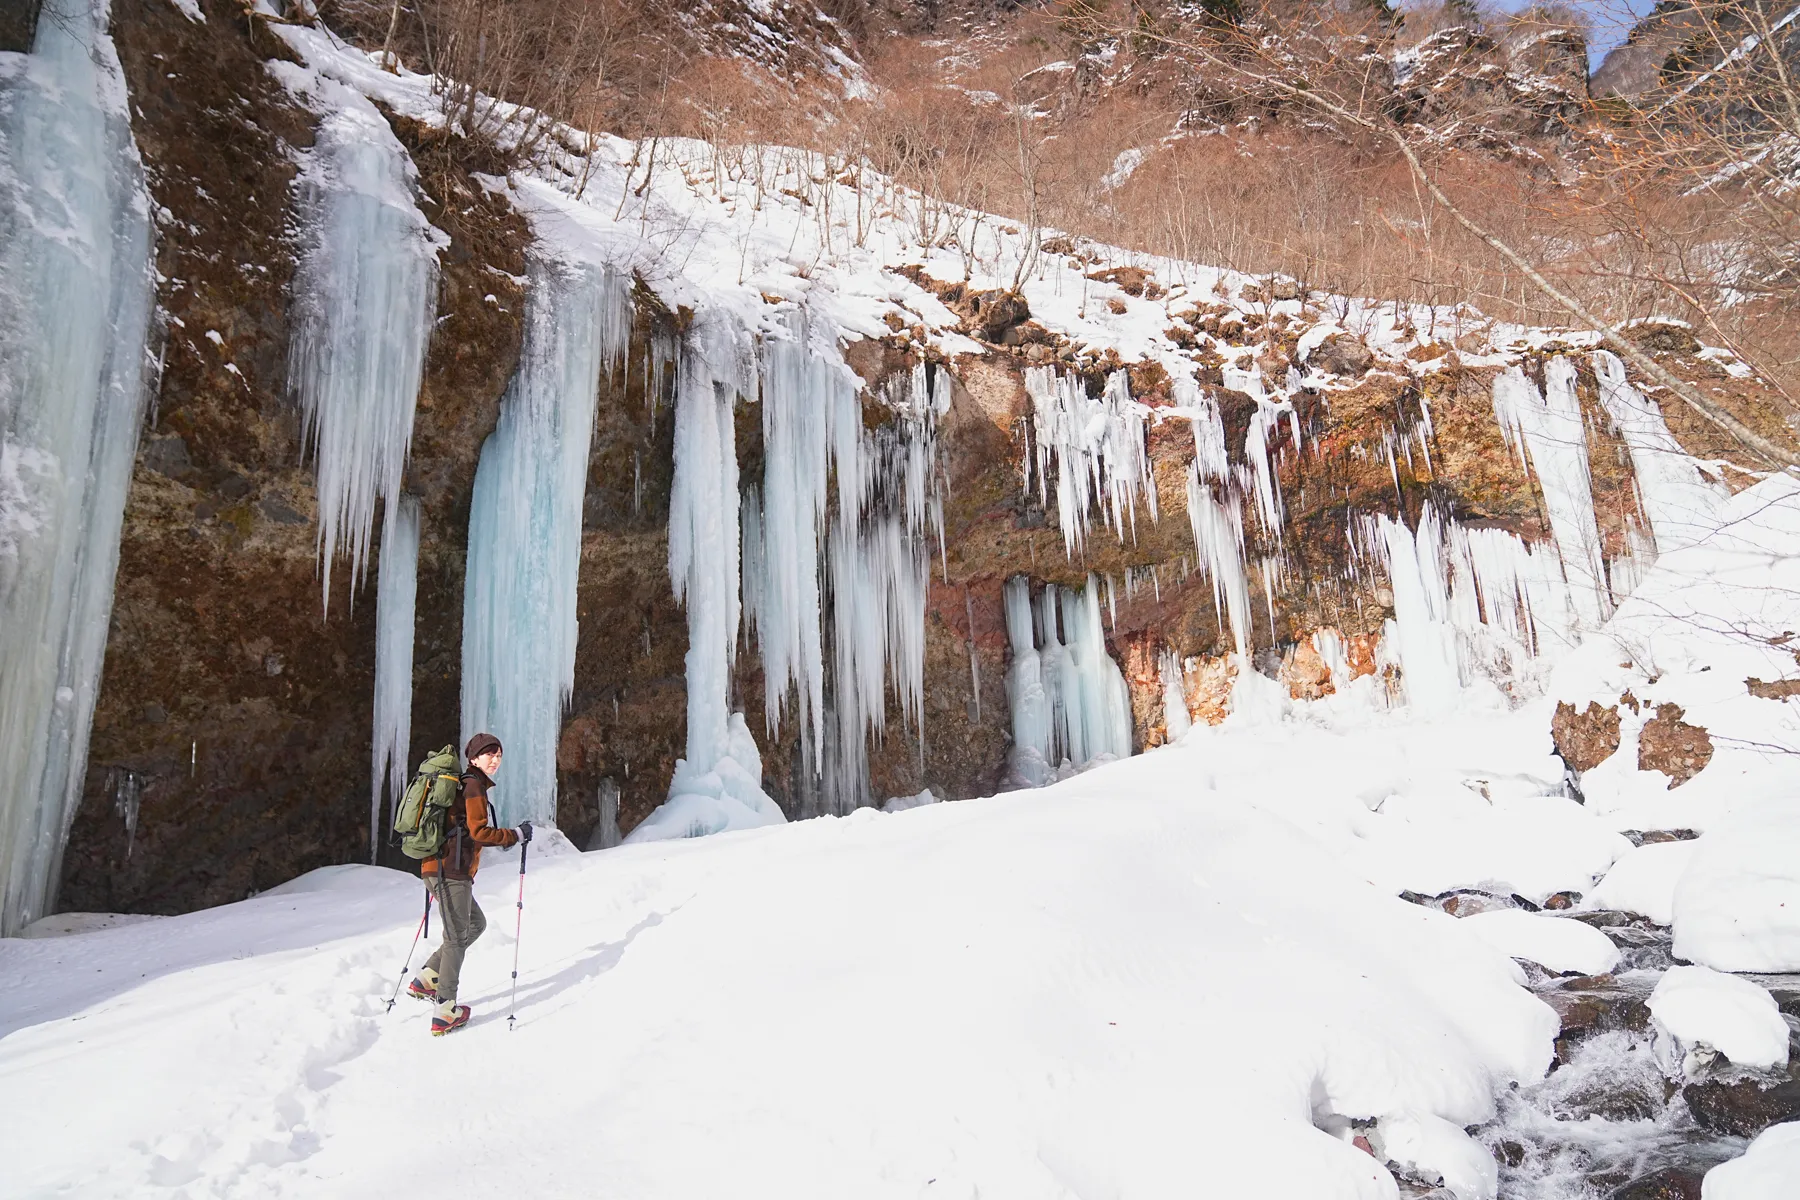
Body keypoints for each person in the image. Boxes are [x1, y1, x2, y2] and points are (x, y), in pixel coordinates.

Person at [406, 733, 532, 1036]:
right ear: (473, 758)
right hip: (450, 872)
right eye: (489, 754)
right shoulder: (473, 786)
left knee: (475, 925)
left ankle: (426, 979)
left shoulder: (467, 785)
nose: (495, 759)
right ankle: (445, 1011)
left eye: (499, 754)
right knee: (455, 938)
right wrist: (515, 835)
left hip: (443, 870)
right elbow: (479, 833)